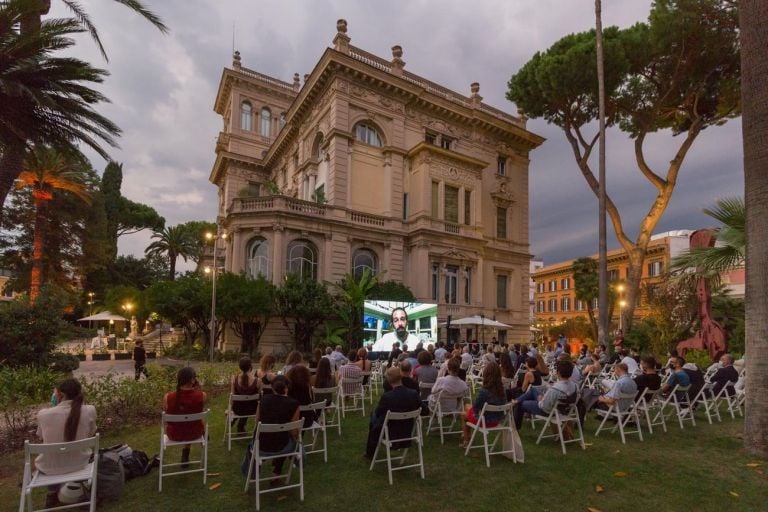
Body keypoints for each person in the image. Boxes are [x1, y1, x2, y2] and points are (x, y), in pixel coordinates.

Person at [36, 378, 97, 508]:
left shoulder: (43, 414)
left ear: (61, 395)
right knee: (74, 455)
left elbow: (41, 437)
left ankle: (52, 494)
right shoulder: (90, 410)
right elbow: (90, 434)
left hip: (50, 468)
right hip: (80, 464)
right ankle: (82, 490)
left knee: (54, 458)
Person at [364, 367, 421, 459]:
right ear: (401, 377)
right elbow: (424, 410)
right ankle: (371, 447)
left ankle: (370, 450)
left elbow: (378, 413)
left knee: (374, 416)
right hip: (407, 430)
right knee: (376, 416)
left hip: (390, 432)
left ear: (388, 380)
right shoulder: (413, 394)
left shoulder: (387, 397)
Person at [253, 376, 300, 479]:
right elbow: (293, 431)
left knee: (279, 437)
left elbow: (257, 421)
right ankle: (277, 471)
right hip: (282, 447)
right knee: (288, 438)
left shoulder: (263, 400)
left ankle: (256, 467)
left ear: (272, 387)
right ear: (287, 388)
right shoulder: (294, 404)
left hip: (262, 446)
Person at [513, 359, 578, 430]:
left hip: (548, 411)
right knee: (533, 390)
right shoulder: (575, 386)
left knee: (520, 404)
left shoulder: (555, 389)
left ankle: (515, 428)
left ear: (558, 373)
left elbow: (544, 407)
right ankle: (517, 400)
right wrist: (543, 398)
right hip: (562, 409)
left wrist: (541, 400)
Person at [164, 367, 206, 468]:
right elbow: (198, 409)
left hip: (174, 434)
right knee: (193, 423)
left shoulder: (168, 397)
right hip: (195, 433)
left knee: (186, 424)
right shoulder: (202, 395)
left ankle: (185, 453)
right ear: (193, 380)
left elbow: (167, 417)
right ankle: (188, 451)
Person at [462, 362, 506, 447]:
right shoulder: (502, 390)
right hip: (496, 420)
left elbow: (476, 408)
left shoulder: (484, 391)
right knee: (467, 407)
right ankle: (466, 435)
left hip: (485, 421)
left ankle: (466, 440)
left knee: (464, 413)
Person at [230, 357, 261, 433]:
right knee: (247, 404)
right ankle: (241, 426)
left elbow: (232, 396)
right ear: (250, 367)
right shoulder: (258, 381)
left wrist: (230, 409)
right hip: (252, 410)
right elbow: (259, 397)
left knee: (242, 405)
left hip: (237, 409)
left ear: (240, 367)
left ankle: (236, 423)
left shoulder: (234, 378)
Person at [286, 364, 315, 428]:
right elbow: (312, 400)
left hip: (291, 421)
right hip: (307, 420)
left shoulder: (288, 388)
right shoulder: (307, 387)